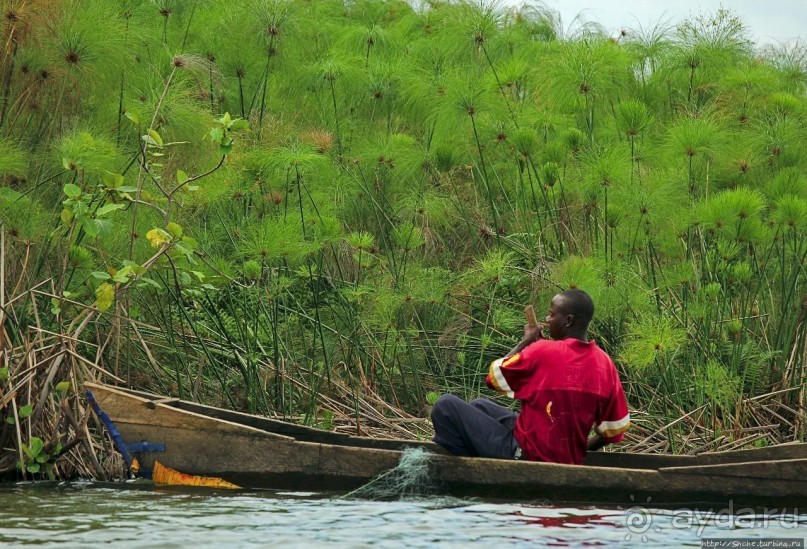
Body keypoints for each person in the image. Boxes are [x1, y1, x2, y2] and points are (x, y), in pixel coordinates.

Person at [430, 289, 630, 465]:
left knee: (445, 405)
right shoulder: (605, 364)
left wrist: (526, 342)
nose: (547, 319)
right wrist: (575, 456)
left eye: (552, 315)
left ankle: (477, 470)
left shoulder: (543, 351)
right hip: (568, 460)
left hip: (525, 455)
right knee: (480, 406)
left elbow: (493, 377)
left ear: (568, 321)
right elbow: (614, 430)